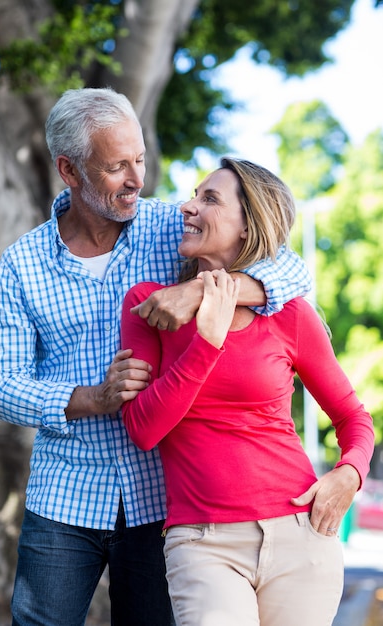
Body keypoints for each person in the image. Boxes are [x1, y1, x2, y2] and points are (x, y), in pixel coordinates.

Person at [0, 88, 312, 626]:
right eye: (117, 166)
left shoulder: (170, 226)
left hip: (164, 498)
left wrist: (200, 291)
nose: (137, 178)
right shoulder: (22, 264)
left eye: (139, 158)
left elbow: (290, 272)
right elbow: (2, 383)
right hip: (64, 497)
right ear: (69, 170)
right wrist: (90, 398)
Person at [121, 158, 375, 626]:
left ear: (247, 225)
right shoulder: (150, 304)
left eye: (209, 199)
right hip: (202, 541)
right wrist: (207, 342)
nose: (189, 207)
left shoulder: (291, 316)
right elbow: (143, 429)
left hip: (302, 531)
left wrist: (350, 474)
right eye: (194, 195)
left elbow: (353, 417)